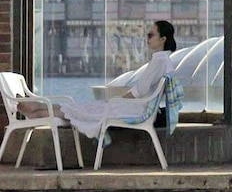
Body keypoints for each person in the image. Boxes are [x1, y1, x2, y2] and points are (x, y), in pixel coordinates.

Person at [19, 21, 179, 138]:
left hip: (135, 109)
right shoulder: (164, 61)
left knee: (84, 109)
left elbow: (141, 90)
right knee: (83, 108)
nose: (147, 38)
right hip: (137, 107)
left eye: (151, 35)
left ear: (163, 39)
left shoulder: (159, 62)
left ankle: (38, 111)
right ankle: (38, 108)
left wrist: (120, 100)